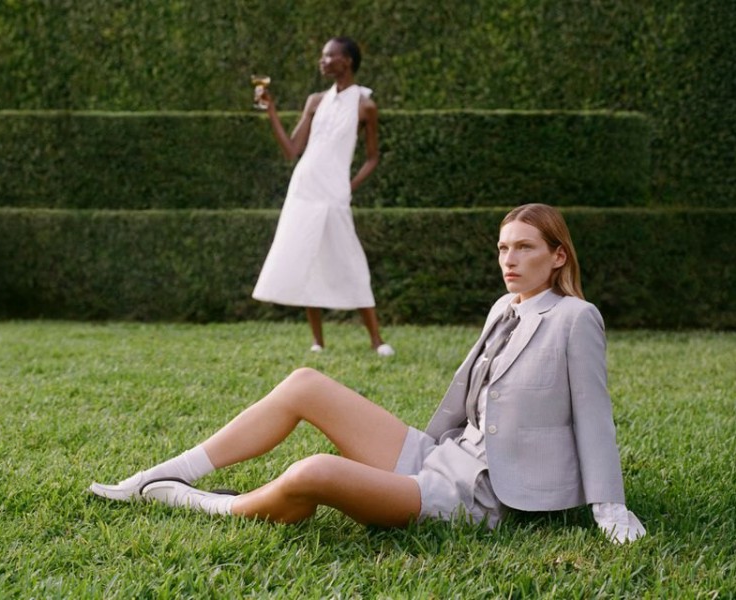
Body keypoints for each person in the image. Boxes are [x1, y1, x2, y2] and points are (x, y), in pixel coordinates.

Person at [89, 203, 646, 544]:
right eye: (503, 248)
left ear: (557, 256)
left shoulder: (575, 318)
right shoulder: (505, 307)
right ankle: (158, 475)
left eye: (524, 248)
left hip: (477, 496)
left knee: (315, 472)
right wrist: (432, 448)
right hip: (441, 454)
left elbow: (594, 417)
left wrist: (610, 507)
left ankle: (201, 501)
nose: (509, 260)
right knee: (305, 383)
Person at [251, 37, 393, 356]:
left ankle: (377, 340)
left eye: (329, 56)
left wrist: (349, 186)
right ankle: (318, 341)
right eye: (323, 56)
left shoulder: (365, 105)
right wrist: (271, 111)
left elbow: (372, 157)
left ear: (347, 61)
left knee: (350, 259)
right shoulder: (315, 101)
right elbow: (292, 150)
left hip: (334, 193)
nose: (323, 61)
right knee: (307, 259)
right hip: (304, 189)